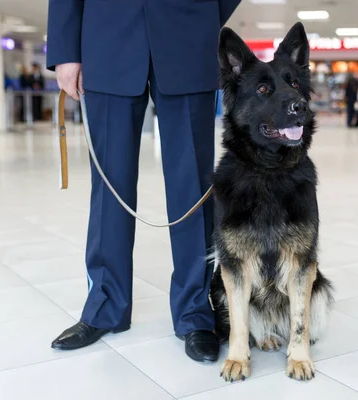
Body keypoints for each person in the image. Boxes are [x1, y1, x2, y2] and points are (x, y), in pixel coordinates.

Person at [47, 0, 240, 363]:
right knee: (110, 190)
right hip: (106, 39)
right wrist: (65, 51)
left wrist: (203, 13)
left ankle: (195, 312)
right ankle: (105, 304)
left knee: (193, 188)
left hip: (186, 35)